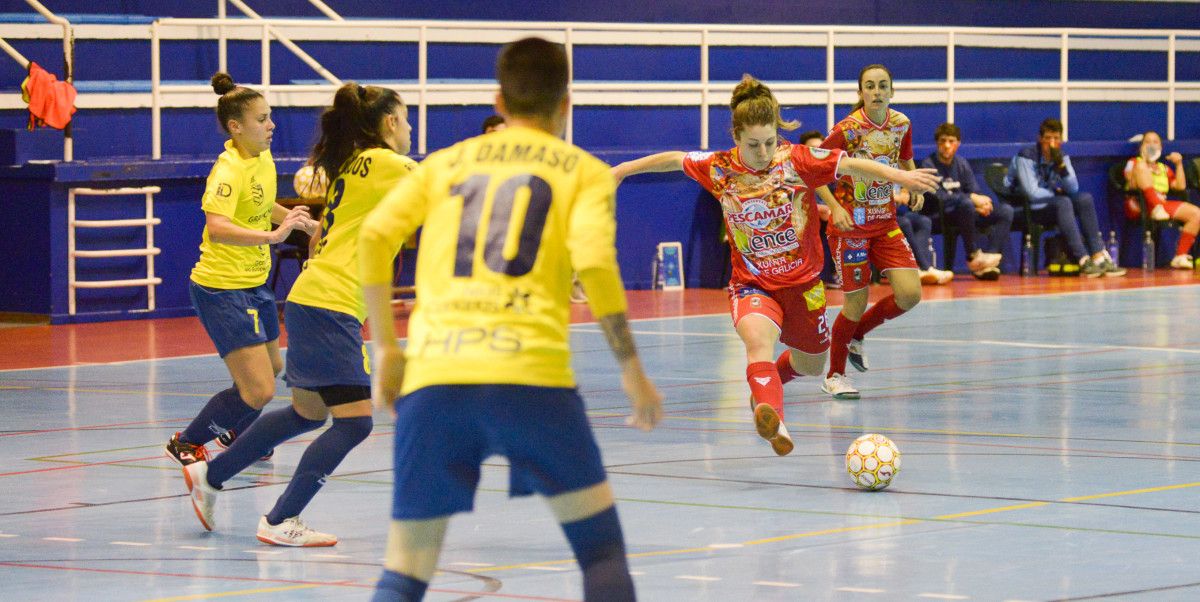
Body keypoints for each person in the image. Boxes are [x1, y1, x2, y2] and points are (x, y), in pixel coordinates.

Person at [362, 37, 663, 601]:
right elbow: (596, 265)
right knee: (601, 556)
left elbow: (375, 236)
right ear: (565, 103)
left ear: (498, 100)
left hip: (436, 381)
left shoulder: (445, 163)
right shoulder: (586, 172)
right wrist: (630, 370)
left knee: (405, 572)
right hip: (532, 382)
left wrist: (386, 351)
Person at [612, 74, 937, 451]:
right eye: (753, 144)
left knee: (811, 363)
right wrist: (621, 170)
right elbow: (672, 159)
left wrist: (902, 176)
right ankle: (773, 419)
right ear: (736, 137)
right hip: (752, 284)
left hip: (803, 285)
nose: (764, 151)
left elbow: (851, 165)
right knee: (757, 343)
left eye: (769, 141)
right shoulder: (719, 167)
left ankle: (766, 391)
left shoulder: (796, 159)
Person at [181, 83, 416, 546]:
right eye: (406, 119)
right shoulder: (390, 164)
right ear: (390, 123)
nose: (409, 128)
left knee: (308, 413)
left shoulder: (350, 163)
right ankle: (279, 520)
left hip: (313, 297)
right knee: (355, 422)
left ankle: (212, 475)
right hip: (329, 304)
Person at [164, 73, 316, 468]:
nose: (272, 125)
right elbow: (218, 227)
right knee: (259, 389)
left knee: (273, 370)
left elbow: (261, 206)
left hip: (254, 284)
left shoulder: (261, 158)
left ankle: (237, 433)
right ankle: (188, 442)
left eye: (270, 117)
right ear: (236, 126)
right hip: (222, 288)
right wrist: (273, 236)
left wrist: (299, 222)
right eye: (263, 119)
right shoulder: (228, 170)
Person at [815, 64, 935, 399]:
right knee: (855, 302)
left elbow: (906, 159)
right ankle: (834, 375)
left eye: (883, 85)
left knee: (910, 294)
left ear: (892, 90)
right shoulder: (847, 130)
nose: (877, 91)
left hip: (886, 225)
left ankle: (859, 333)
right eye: (870, 86)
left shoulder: (901, 124)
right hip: (851, 229)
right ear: (861, 92)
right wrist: (835, 208)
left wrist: (916, 187)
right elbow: (813, 171)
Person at [1005, 118, 1125, 277]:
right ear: (1040, 139)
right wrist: (1055, 194)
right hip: (1021, 208)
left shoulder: (1061, 157)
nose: (1052, 143)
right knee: (1064, 202)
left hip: (1049, 206)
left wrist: (1061, 167)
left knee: (1084, 199)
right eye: (1048, 138)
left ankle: (1098, 255)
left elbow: (1073, 188)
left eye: (1056, 138)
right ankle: (1082, 259)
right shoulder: (1026, 156)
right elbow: (1032, 193)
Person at [921, 122, 1011, 280]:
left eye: (951, 141)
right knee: (966, 204)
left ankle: (986, 262)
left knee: (1005, 211)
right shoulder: (928, 164)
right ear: (937, 143)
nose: (947, 146)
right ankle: (973, 256)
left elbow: (974, 190)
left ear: (958, 143)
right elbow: (939, 196)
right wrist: (970, 199)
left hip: (966, 212)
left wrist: (982, 204)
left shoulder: (962, 163)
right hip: (939, 214)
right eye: (942, 141)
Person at [1124, 130, 1199, 269]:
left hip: (1161, 207)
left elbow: (1180, 186)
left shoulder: (1163, 168)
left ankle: (1180, 255)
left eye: (1155, 142)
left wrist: (1178, 164)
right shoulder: (1134, 162)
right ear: (1141, 146)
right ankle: (1156, 206)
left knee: (1196, 214)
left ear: (1161, 147)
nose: (1151, 145)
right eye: (1147, 142)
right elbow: (1129, 179)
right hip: (1140, 205)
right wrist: (1145, 163)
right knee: (1141, 167)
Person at [800, 130, 843, 289]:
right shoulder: (797, 171)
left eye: (820, 149)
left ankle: (839, 273)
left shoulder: (832, 173)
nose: (816, 153)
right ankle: (819, 276)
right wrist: (820, 209)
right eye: (812, 149)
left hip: (828, 216)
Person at [894, 188, 954, 284]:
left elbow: (904, 187)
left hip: (895, 213)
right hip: (876, 215)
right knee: (905, 223)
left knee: (923, 221)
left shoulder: (898, 173)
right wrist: (894, 197)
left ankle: (922, 269)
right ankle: (923, 267)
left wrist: (905, 192)